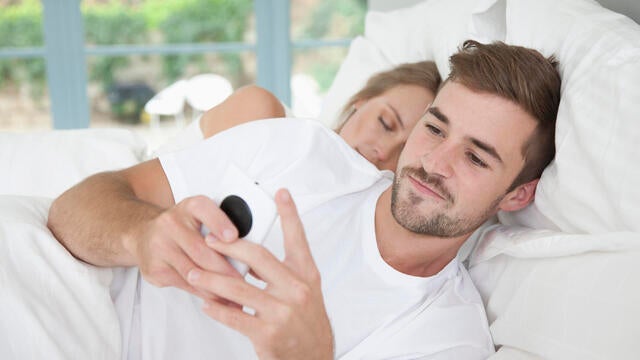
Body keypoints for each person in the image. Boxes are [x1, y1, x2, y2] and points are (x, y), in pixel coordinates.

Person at [47, 40, 561, 359]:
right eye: (434, 127)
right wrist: (139, 234)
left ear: (517, 193)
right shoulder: (299, 149)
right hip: (70, 310)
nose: (433, 161)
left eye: (476, 158)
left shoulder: (444, 337)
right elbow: (74, 208)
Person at [196, 60, 441, 172]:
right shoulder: (261, 113)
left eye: (403, 151)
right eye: (385, 123)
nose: (385, 152)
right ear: (362, 100)